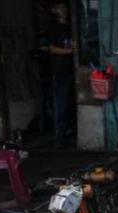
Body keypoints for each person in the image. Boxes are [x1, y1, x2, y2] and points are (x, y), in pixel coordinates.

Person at [45, 1, 75, 147]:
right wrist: (70, 51)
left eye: (65, 7)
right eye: (61, 7)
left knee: (70, 105)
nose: (64, 10)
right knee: (60, 104)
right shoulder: (54, 28)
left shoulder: (71, 26)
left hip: (72, 69)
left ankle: (68, 133)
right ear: (54, 10)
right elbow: (52, 49)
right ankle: (59, 139)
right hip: (60, 70)